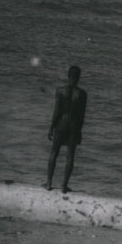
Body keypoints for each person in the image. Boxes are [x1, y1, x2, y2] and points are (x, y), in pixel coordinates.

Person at [46, 65, 87, 194]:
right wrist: (79, 131)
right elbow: (81, 116)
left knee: (54, 153)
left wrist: (51, 128)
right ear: (78, 78)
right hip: (73, 127)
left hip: (61, 125)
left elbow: (57, 111)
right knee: (70, 156)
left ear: (68, 76)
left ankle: (48, 183)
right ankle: (64, 186)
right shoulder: (82, 94)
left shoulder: (60, 90)